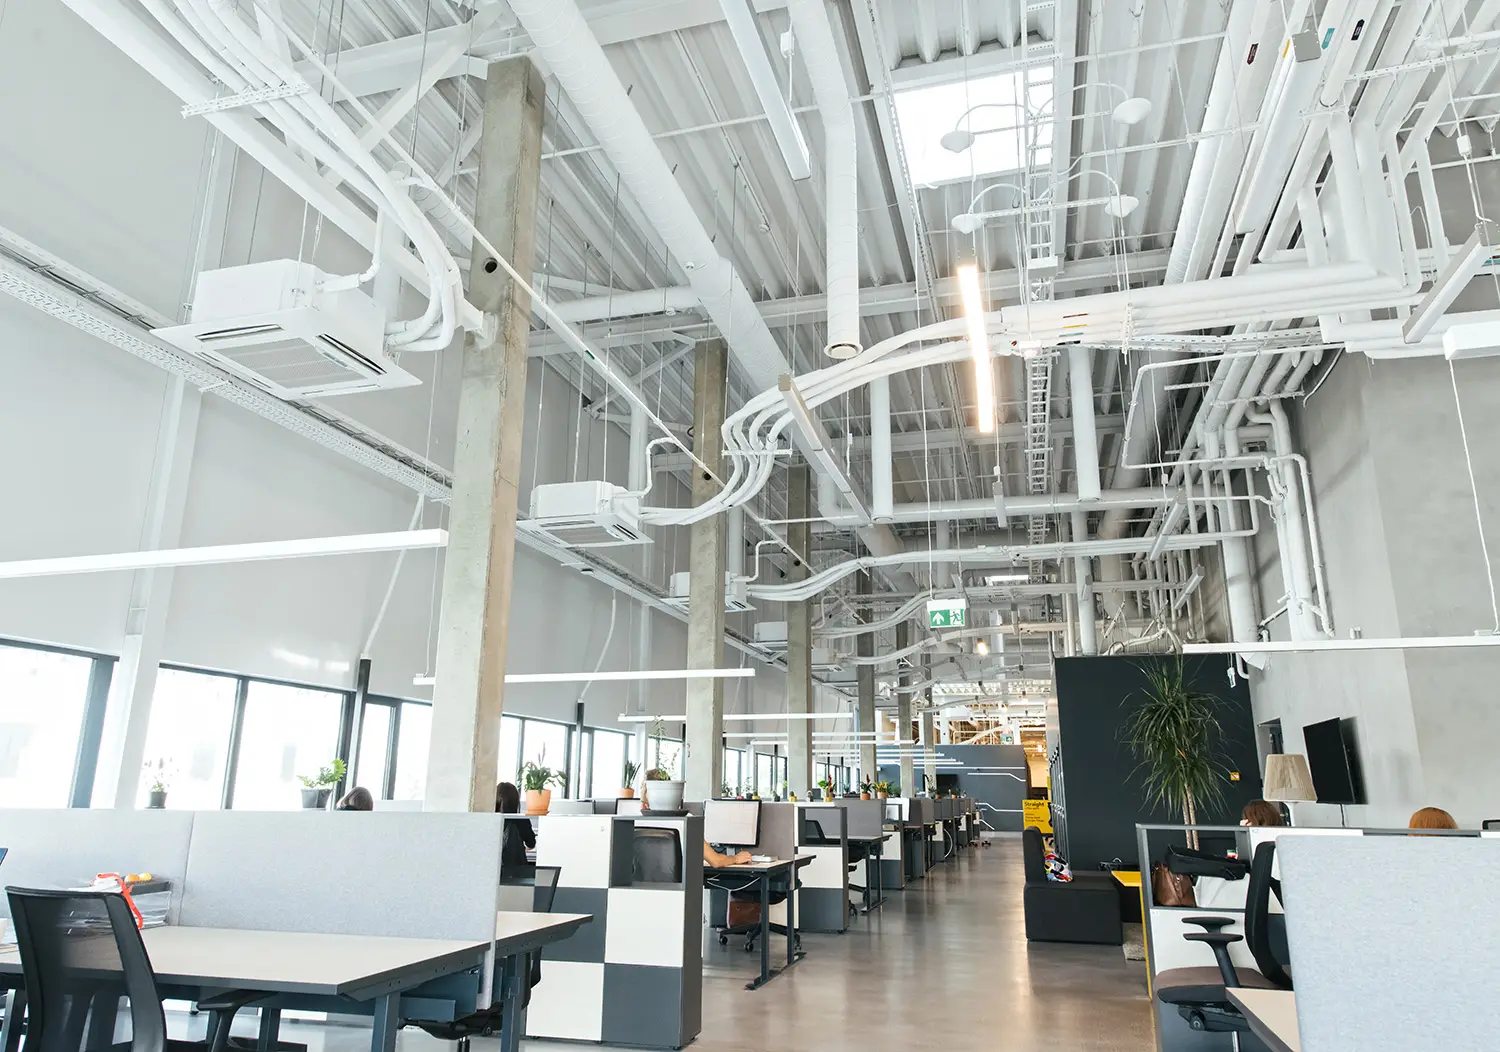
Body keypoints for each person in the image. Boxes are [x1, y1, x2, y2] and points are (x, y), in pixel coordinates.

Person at [497, 781, 536, 874]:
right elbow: (531, 843)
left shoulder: (490, 819)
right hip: (517, 872)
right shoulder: (521, 820)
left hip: (493, 869)